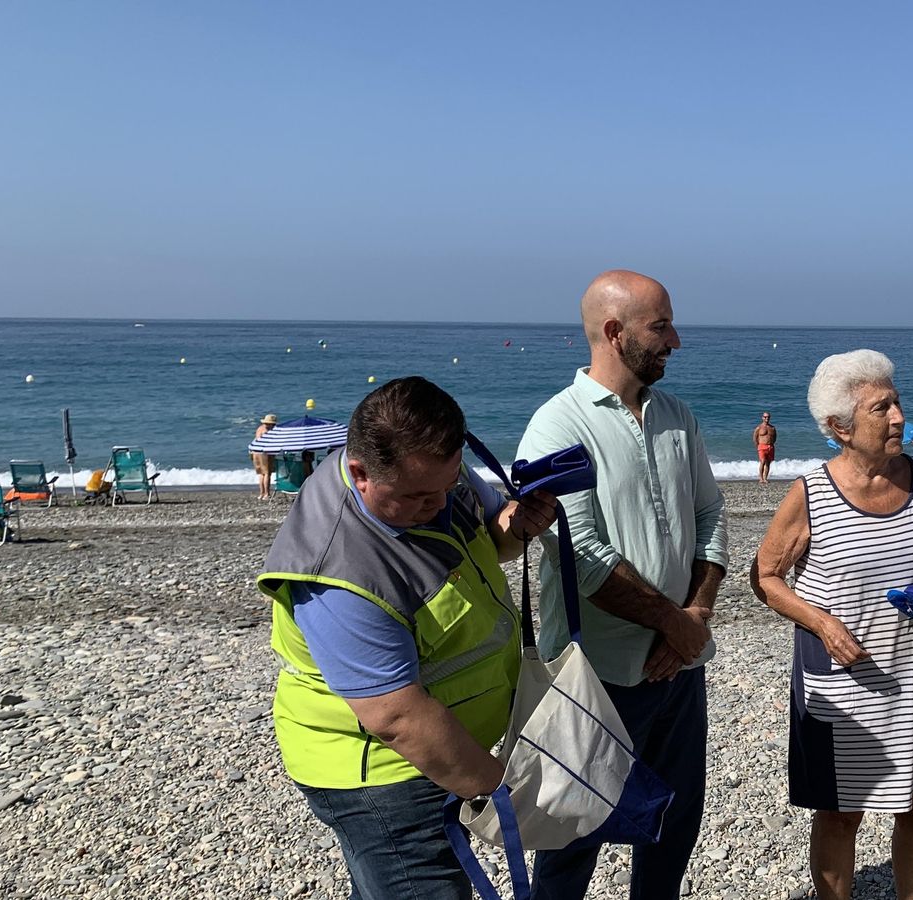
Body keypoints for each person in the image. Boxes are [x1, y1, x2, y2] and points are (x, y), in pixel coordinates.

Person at [256, 377, 558, 899]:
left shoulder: (429, 470)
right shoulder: (340, 569)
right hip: (380, 774)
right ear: (359, 473)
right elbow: (394, 717)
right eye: (419, 496)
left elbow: (490, 540)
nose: (440, 505)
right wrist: (496, 790)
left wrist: (517, 523)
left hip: (435, 749)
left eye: (448, 487)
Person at [517, 269, 728, 900]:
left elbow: (709, 515)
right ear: (615, 332)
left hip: (678, 671)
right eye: (661, 326)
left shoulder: (676, 415)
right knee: (572, 836)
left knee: (673, 821)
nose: (676, 341)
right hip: (596, 674)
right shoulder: (556, 426)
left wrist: (695, 614)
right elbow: (577, 555)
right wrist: (676, 624)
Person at [752, 349, 913, 900]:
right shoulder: (810, 492)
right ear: (839, 428)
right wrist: (821, 622)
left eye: (896, 402)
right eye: (881, 408)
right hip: (844, 682)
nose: (898, 416)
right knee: (841, 813)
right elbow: (766, 576)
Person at [252, 414, 278, 500]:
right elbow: (270, 443)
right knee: (267, 473)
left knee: (261, 474)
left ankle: (261, 493)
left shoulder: (259, 428)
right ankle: (267, 494)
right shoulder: (268, 431)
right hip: (264, 453)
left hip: (255, 452)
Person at [754, 411, 778, 484]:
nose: (767, 418)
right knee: (763, 461)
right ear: (762, 418)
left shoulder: (772, 428)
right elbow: (755, 438)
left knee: (768, 463)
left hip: (770, 447)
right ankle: (761, 478)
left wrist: (771, 444)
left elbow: (775, 437)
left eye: (768, 417)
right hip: (762, 446)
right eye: (765, 417)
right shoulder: (759, 428)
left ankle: (765, 478)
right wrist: (758, 446)